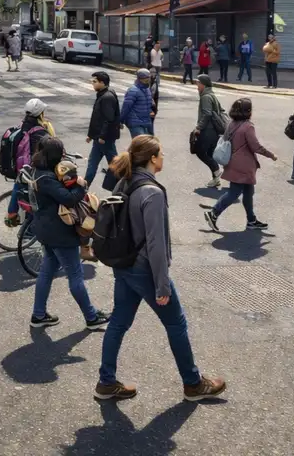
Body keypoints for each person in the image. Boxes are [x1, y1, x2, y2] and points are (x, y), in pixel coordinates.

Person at [96, 135, 226, 402]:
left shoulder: (125, 181)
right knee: (176, 323)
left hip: (123, 263)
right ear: (152, 158)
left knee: (119, 322)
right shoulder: (152, 192)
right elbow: (156, 243)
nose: (163, 157)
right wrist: (162, 284)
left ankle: (106, 382)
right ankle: (193, 384)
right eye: (161, 154)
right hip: (144, 269)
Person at [28, 136, 110, 330]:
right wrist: (81, 185)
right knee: (75, 275)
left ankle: (38, 315)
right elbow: (69, 199)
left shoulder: (37, 170)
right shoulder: (47, 178)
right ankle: (91, 317)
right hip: (60, 233)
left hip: (45, 230)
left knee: (46, 272)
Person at [204, 98, 276, 232]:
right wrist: (271, 155)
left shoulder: (232, 124)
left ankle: (251, 220)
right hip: (244, 166)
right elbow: (255, 146)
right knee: (234, 192)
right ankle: (213, 213)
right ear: (248, 111)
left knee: (248, 192)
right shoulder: (248, 126)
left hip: (233, 162)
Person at [4, 98, 55, 226]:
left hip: (20, 167)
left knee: (20, 185)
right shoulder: (40, 132)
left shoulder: (22, 126)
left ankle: (12, 212)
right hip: (33, 170)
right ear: (40, 114)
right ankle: (31, 228)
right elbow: (51, 149)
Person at [84, 71, 119, 187]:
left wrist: (102, 136)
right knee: (92, 164)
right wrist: (91, 135)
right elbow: (97, 118)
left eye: (95, 82)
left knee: (115, 165)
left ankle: (122, 187)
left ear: (102, 83)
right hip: (99, 137)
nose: (92, 84)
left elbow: (108, 119)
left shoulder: (107, 97)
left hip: (104, 139)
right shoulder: (102, 94)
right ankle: (83, 188)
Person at [192, 75, 227, 189]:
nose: (197, 86)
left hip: (208, 130)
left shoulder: (206, 97)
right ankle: (216, 179)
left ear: (203, 84)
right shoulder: (212, 95)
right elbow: (221, 110)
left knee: (200, 152)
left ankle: (216, 171)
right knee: (210, 153)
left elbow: (207, 114)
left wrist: (199, 127)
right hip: (214, 130)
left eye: (198, 83)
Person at [120, 69, 154, 138]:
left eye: (149, 77)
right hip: (135, 122)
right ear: (140, 79)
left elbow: (146, 104)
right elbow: (126, 107)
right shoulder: (133, 90)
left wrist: (150, 110)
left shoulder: (147, 89)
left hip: (146, 121)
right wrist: (121, 121)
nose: (148, 79)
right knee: (140, 143)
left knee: (149, 142)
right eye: (146, 78)